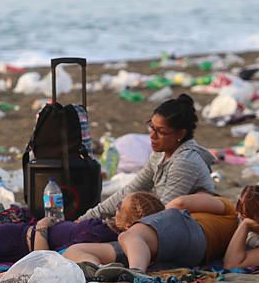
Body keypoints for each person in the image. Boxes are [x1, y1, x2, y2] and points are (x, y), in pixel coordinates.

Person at [79, 94, 216, 220]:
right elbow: (132, 189)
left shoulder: (185, 161)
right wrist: (88, 217)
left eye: (161, 132)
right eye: (151, 127)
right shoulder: (159, 155)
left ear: (180, 134)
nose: (152, 135)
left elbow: (165, 211)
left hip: (190, 227)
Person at [66, 192, 236, 275]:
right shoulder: (235, 228)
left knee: (128, 237)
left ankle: (136, 273)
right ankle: (96, 270)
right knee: (75, 250)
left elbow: (181, 202)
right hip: (191, 254)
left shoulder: (230, 209)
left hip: (193, 232)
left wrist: (157, 219)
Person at [0, 192, 163, 265]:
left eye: (120, 207)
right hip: (20, 237)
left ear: (129, 224)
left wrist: (41, 228)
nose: (116, 206)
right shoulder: (107, 232)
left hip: (19, 240)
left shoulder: (98, 234)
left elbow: (46, 257)